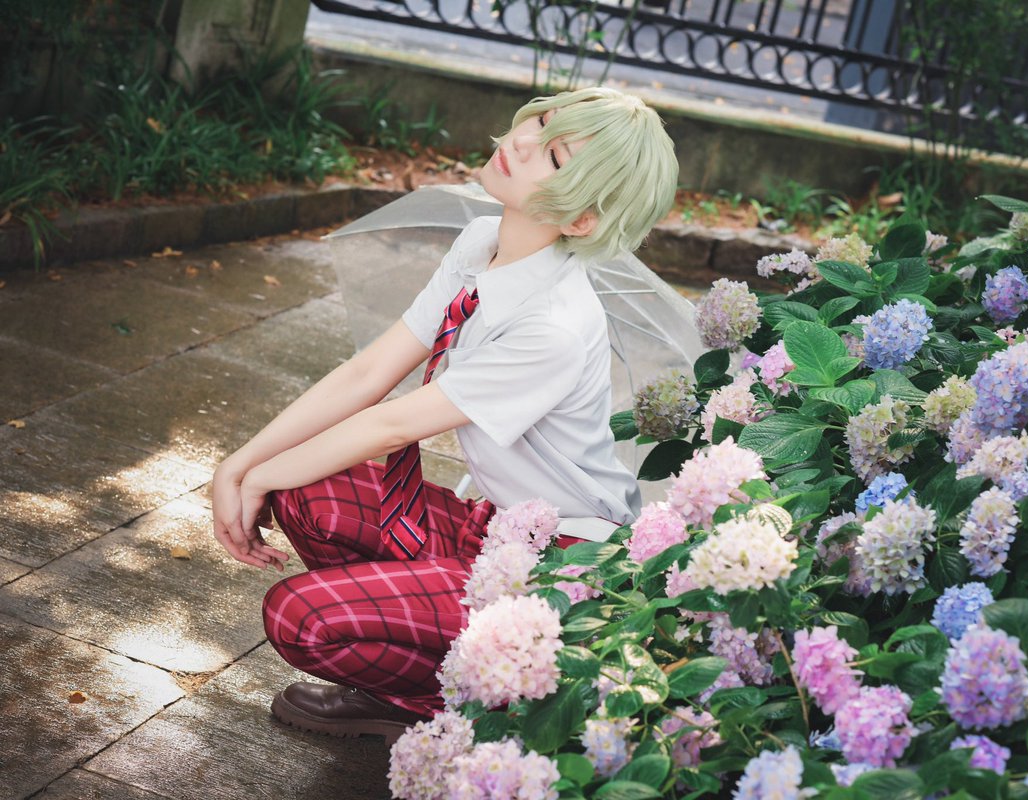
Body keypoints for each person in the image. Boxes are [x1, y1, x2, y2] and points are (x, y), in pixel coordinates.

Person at [210, 86, 679, 741]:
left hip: (555, 573)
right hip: (495, 527)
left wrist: (257, 475)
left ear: (582, 220)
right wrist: (239, 467)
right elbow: (370, 373)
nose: (522, 141)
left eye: (555, 156)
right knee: (303, 488)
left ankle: (459, 705)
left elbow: (393, 424)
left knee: (300, 618)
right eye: (540, 123)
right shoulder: (484, 242)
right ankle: (415, 675)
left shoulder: (553, 327)